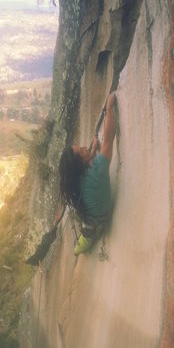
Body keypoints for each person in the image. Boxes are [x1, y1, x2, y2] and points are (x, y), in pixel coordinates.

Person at [59, 91, 117, 255]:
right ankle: (77, 250)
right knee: (83, 244)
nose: (83, 147)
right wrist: (109, 107)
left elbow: (86, 166)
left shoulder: (76, 181)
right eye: (82, 150)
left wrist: (91, 151)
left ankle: (80, 245)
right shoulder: (97, 170)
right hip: (97, 223)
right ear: (81, 163)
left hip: (92, 211)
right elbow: (108, 139)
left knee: (80, 212)